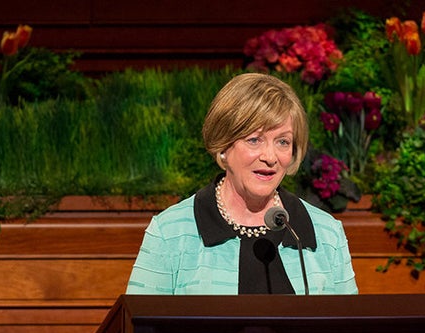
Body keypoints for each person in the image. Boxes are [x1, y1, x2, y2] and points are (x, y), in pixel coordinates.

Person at [126, 73, 358, 295]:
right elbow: (140, 331)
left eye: (283, 142)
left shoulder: (326, 234)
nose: (270, 156)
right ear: (223, 145)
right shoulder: (171, 232)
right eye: (254, 140)